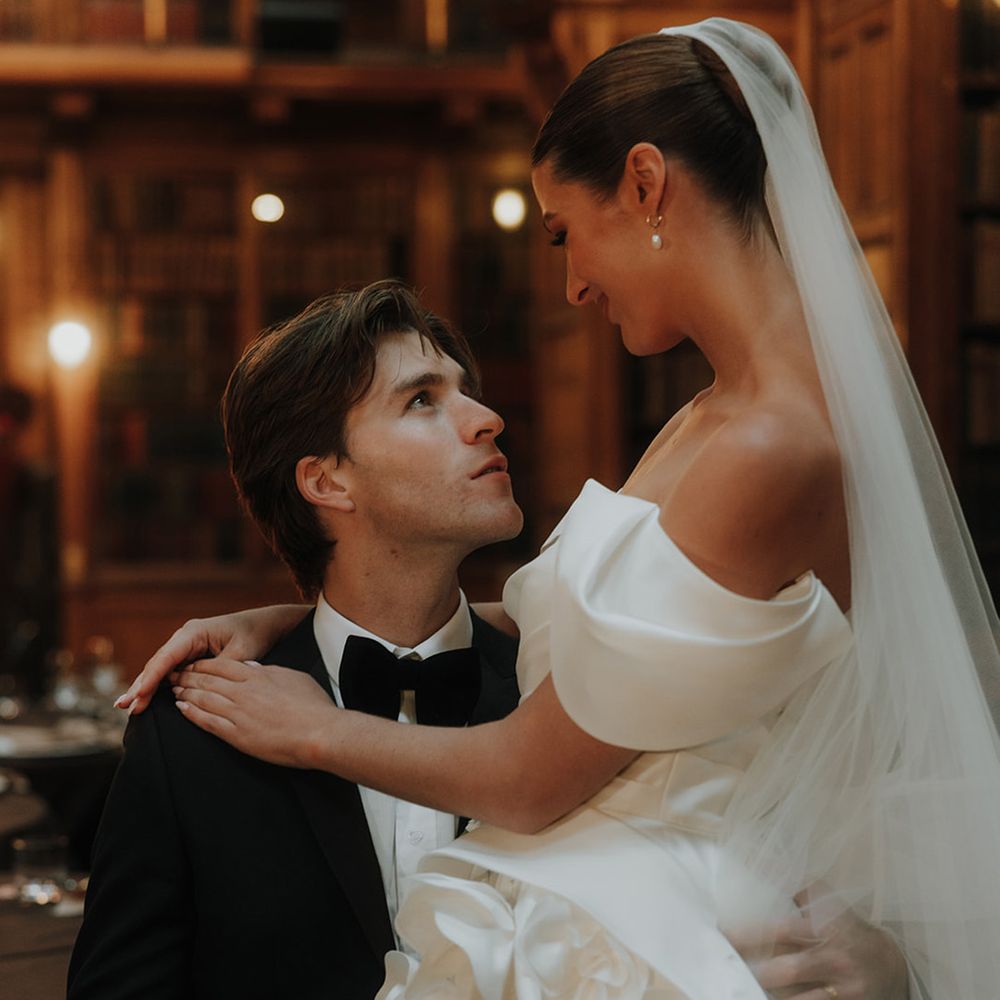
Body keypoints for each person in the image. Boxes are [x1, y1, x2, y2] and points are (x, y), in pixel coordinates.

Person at [120, 18, 1000, 999]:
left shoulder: (771, 446)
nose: (573, 281)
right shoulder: (716, 413)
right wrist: (292, 621)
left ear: (643, 184)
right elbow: (646, 639)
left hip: (669, 937)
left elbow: (535, 778)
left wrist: (315, 728)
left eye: (561, 232)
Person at [68, 283, 524, 999]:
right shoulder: (191, 732)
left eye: (465, 392)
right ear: (326, 480)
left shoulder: (558, 688)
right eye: (422, 401)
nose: (487, 420)